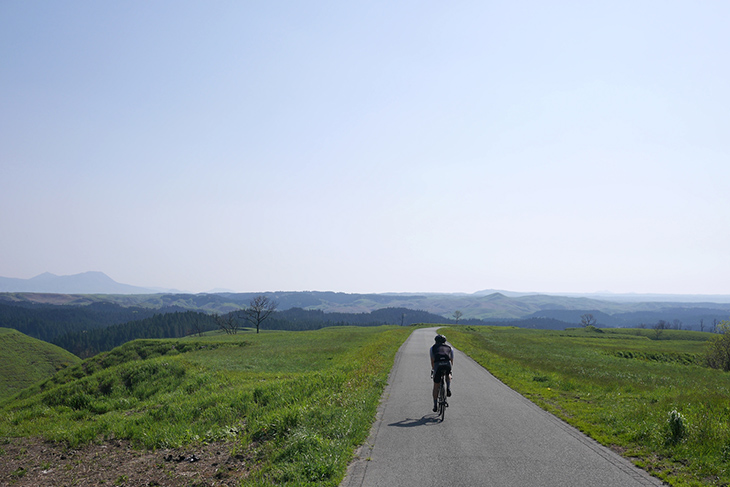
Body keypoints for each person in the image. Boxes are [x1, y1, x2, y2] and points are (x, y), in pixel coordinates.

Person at [430, 334, 453, 412]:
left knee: (436, 386)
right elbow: (451, 359)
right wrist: (450, 369)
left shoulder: (432, 348)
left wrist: (433, 369)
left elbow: (432, 360)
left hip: (438, 366)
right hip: (447, 364)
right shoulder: (449, 348)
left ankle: (435, 405)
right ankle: (448, 387)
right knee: (448, 374)